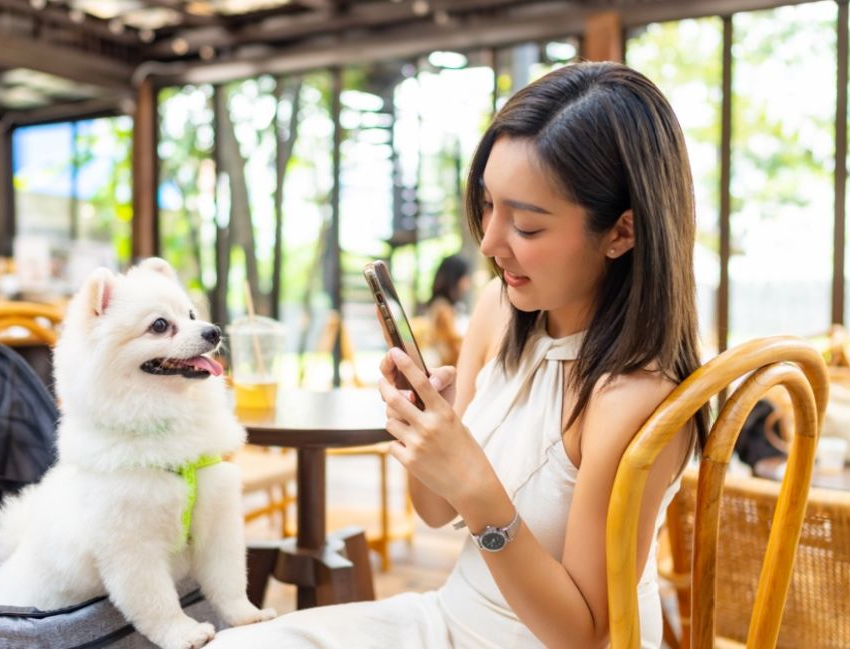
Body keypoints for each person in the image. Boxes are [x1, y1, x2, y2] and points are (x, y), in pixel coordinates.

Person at [210, 61, 709, 649]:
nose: (491, 242)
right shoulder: (502, 310)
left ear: (622, 232)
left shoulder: (631, 396)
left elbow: (586, 636)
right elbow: (433, 510)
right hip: (449, 620)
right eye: (489, 205)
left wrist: (478, 488)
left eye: (525, 224)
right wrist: (432, 434)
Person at [420, 255, 471, 367]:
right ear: (455, 278)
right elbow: (452, 344)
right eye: (465, 276)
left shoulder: (439, 305)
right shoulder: (443, 309)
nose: (468, 283)